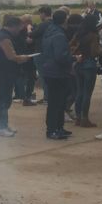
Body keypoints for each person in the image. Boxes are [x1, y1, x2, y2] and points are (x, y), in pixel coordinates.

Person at [0, 16, 30, 137]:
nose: (19, 31)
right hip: (4, 72)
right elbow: (11, 56)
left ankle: (3, 124)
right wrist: (23, 58)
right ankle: (0, 127)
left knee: (6, 99)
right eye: (19, 28)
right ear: (13, 26)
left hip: (5, 71)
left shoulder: (2, 35)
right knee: (4, 100)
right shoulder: (4, 38)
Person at [41, 10, 74, 140]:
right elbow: (61, 56)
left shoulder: (49, 31)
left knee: (58, 102)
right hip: (57, 72)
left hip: (50, 70)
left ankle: (59, 127)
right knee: (56, 103)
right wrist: (73, 58)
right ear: (64, 20)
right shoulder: (59, 35)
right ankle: (52, 130)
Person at [70, 14, 102, 128]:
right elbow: (95, 52)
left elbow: (70, 45)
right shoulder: (93, 35)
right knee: (87, 93)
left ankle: (78, 118)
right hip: (89, 64)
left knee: (79, 92)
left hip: (78, 64)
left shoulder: (78, 34)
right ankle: (85, 118)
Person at [32, 6, 52, 103]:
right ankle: (48, 96)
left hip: (40, 52)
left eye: (40, 14)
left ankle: (47, 97)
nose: (40, 16)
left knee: (43, 76)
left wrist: (29, 29)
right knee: (49, 76)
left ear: (43, 13)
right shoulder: (54, 23)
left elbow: (32, 34)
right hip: (50, 53)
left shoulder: (43, 25)